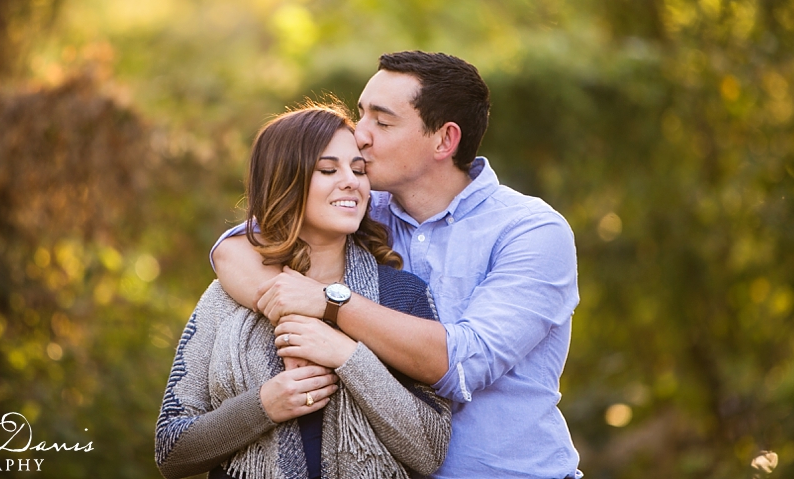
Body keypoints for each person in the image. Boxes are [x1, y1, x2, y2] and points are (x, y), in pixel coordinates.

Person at [213, 51, 582, 479]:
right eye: (361, 114)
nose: (359, 134)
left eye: (382, 122)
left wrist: (330, 302)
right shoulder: (358, 208)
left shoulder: (530, 231)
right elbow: (234, 248)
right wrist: (293, 319)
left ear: (444, 141)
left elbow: (463, 365)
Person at [154, 102, 451, 479]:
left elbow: (430, 449)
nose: (352, 181)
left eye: (359, 169)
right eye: (328, 169)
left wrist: (348, 356)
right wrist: (264, 406)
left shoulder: (402, 294)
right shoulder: (227, 297)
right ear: (286, 183)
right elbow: (170, 450)